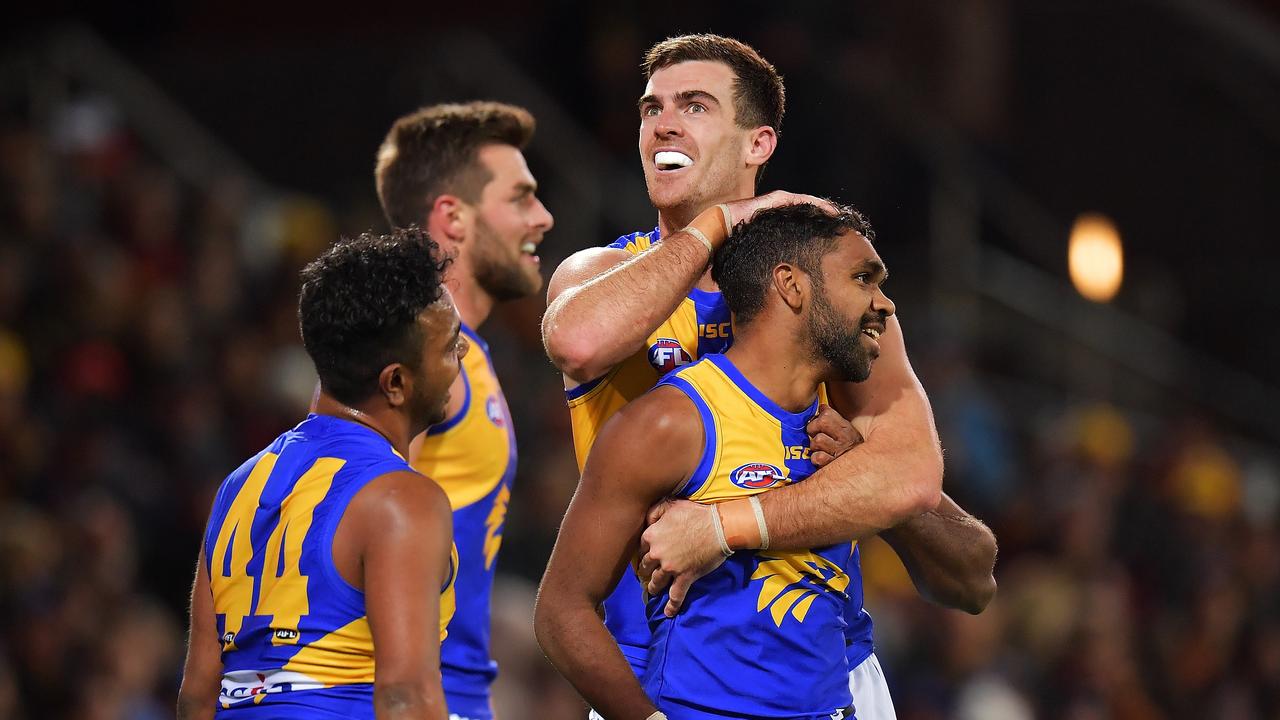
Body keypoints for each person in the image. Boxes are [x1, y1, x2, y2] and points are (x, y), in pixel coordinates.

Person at [539, 33, 996, 717]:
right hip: (660, 678)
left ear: (758, 144)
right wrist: (718, 225)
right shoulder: (598, 274)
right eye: (650, 108)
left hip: (827, 676)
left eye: (693, 106)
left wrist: (729, 524)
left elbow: (909, 475)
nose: (661, 123)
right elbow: (579, 341)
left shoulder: (829, 286)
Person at [539, 203, 903, 718]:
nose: (885, 305)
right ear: (791, 285)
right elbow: (560, 612)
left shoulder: (840, 431)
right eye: (864, 278)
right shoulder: (671, 422)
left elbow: (973, 568)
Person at [177, 228, 468, 720]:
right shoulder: (401, 498)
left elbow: (198, 695)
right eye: (449, 347)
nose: (461, 357)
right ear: (395, 382)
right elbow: (405, 697)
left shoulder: (239, 485)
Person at [374, 101, 554, 720]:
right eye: (522, 198)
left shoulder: (464, 351)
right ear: (453, 216)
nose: (544, 216)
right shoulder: (418, 353)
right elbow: (355, 529)